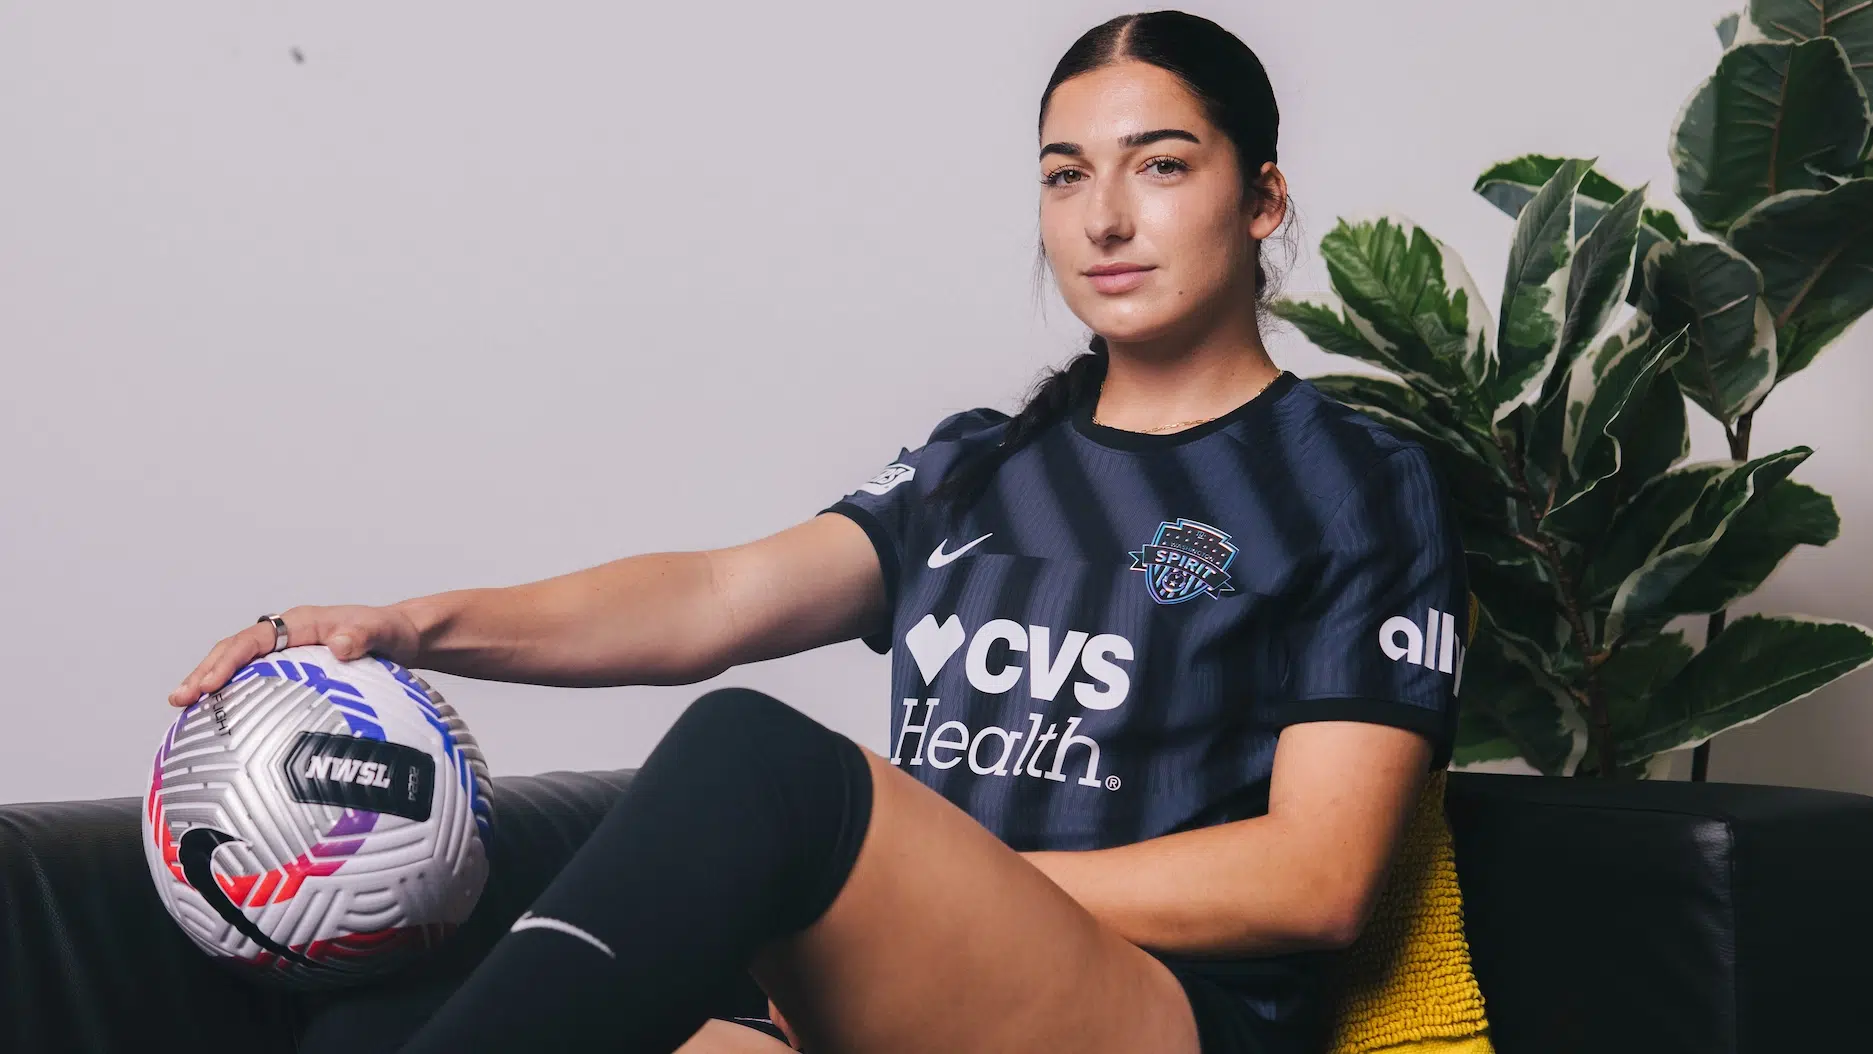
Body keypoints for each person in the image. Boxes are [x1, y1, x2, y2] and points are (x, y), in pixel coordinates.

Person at [170, 10, 1467, 1054]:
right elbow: (713, 598)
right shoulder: (982, 464)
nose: (1105, 217)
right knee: (377, 1016)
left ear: (1261, 196)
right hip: (887, 997)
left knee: (761, 758)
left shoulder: (1351, 480)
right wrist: (408, 628)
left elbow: (1318, 878)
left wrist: (936, 887)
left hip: (1158, 1010)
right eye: (1066, 174)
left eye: (1162, 163)